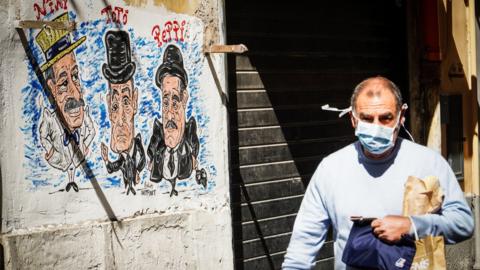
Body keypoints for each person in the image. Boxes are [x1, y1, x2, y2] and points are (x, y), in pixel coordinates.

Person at [282, 76, 474, 269]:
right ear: (353, 119)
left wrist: (412, 226)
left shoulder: (429, 162)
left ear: (401, 116)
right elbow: (303, 243)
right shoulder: (330, 169)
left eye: (385, 118)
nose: (376, 127)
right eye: (366, 118)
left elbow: (463, 223)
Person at [37, 12, 96, 192]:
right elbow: (44, 135)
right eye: (63, 83)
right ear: (51, 89)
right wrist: (51, 152)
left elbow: (91, 130)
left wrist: (85, 145)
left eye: (75, 77)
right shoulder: (50, 120)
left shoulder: (84, 118)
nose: (75, 92)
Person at [147, 44, 207, 197]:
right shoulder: (156, 149)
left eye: (175, 102)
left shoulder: (190, 149)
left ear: (184, 99)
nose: (170, 114)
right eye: (165, 103)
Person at [100, 30, 145, 196]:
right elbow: (113, 167)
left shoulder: (138, 151)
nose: (119, 120)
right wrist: (106, 158)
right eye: (114, 106)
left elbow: (142, 162)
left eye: (126, 102)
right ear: (108, 106)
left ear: (135, 102)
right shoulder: (122, 158)